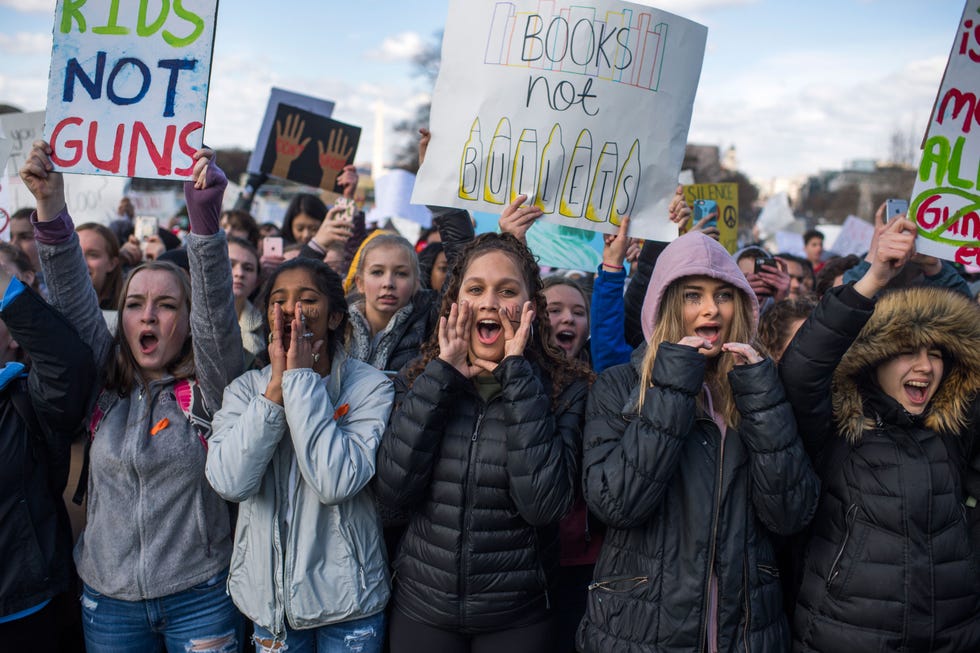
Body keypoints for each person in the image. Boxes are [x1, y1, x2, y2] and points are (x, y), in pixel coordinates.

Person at [20, 140, 245, 653]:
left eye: (166, 306)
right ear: (120, 317)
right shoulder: (103, 382)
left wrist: (205, 225)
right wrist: (51, 207)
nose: (148, 316)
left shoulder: (208, 390)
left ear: (187, 324)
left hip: (200, 597)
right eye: (136, 305)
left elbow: (217, 323)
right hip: (110, 602)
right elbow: (75, 297)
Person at [577, 231, 820, 652]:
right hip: (640, 628)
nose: (711, 308)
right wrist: (673, 386)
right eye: (693, 295)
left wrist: (761, 400)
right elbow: (616, 503)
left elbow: (790, 514)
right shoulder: (620, 387)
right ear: (669, 305)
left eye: (724, 296)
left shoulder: (759, 387)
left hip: (743, 630)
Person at [375, 233, 590, 653]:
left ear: (531, 308)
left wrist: (516, 375)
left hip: (517, 616)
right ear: (455, 304)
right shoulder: (418, 379)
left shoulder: (567, 390)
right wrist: (441, 378)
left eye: (507, 291)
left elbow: (544, 505)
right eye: (475, 289)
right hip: (423, 609)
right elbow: (391, 493)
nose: (490, 302)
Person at [780, 216, 980, 652]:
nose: (925, 367)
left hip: (951, 635)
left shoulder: (955, 426)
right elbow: (800, 370)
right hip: (845, 636)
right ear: (875, 360)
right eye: (907, 351)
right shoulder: (840, 426)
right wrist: (873, 276)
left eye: (936, 354)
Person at [206, 257, 394, 652]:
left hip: (350, 605)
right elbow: (229, 482)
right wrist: (274, 391)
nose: (292, 311)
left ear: (334, 317)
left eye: (307, 299)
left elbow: (334, 481)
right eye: (279, 300)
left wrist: (300, 380)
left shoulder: (370, 387)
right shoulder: (245, 391)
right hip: (270, 606)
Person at [0, 254, 96, 652]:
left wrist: (4, 283)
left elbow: (68, 365)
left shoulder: (24, 399)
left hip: (26, 612)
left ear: (11, 334)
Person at [228, 236, 265, 357]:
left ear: (257, 281)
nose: (239, 273)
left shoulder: (267, 327)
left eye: (248, 268)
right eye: (230, 264)